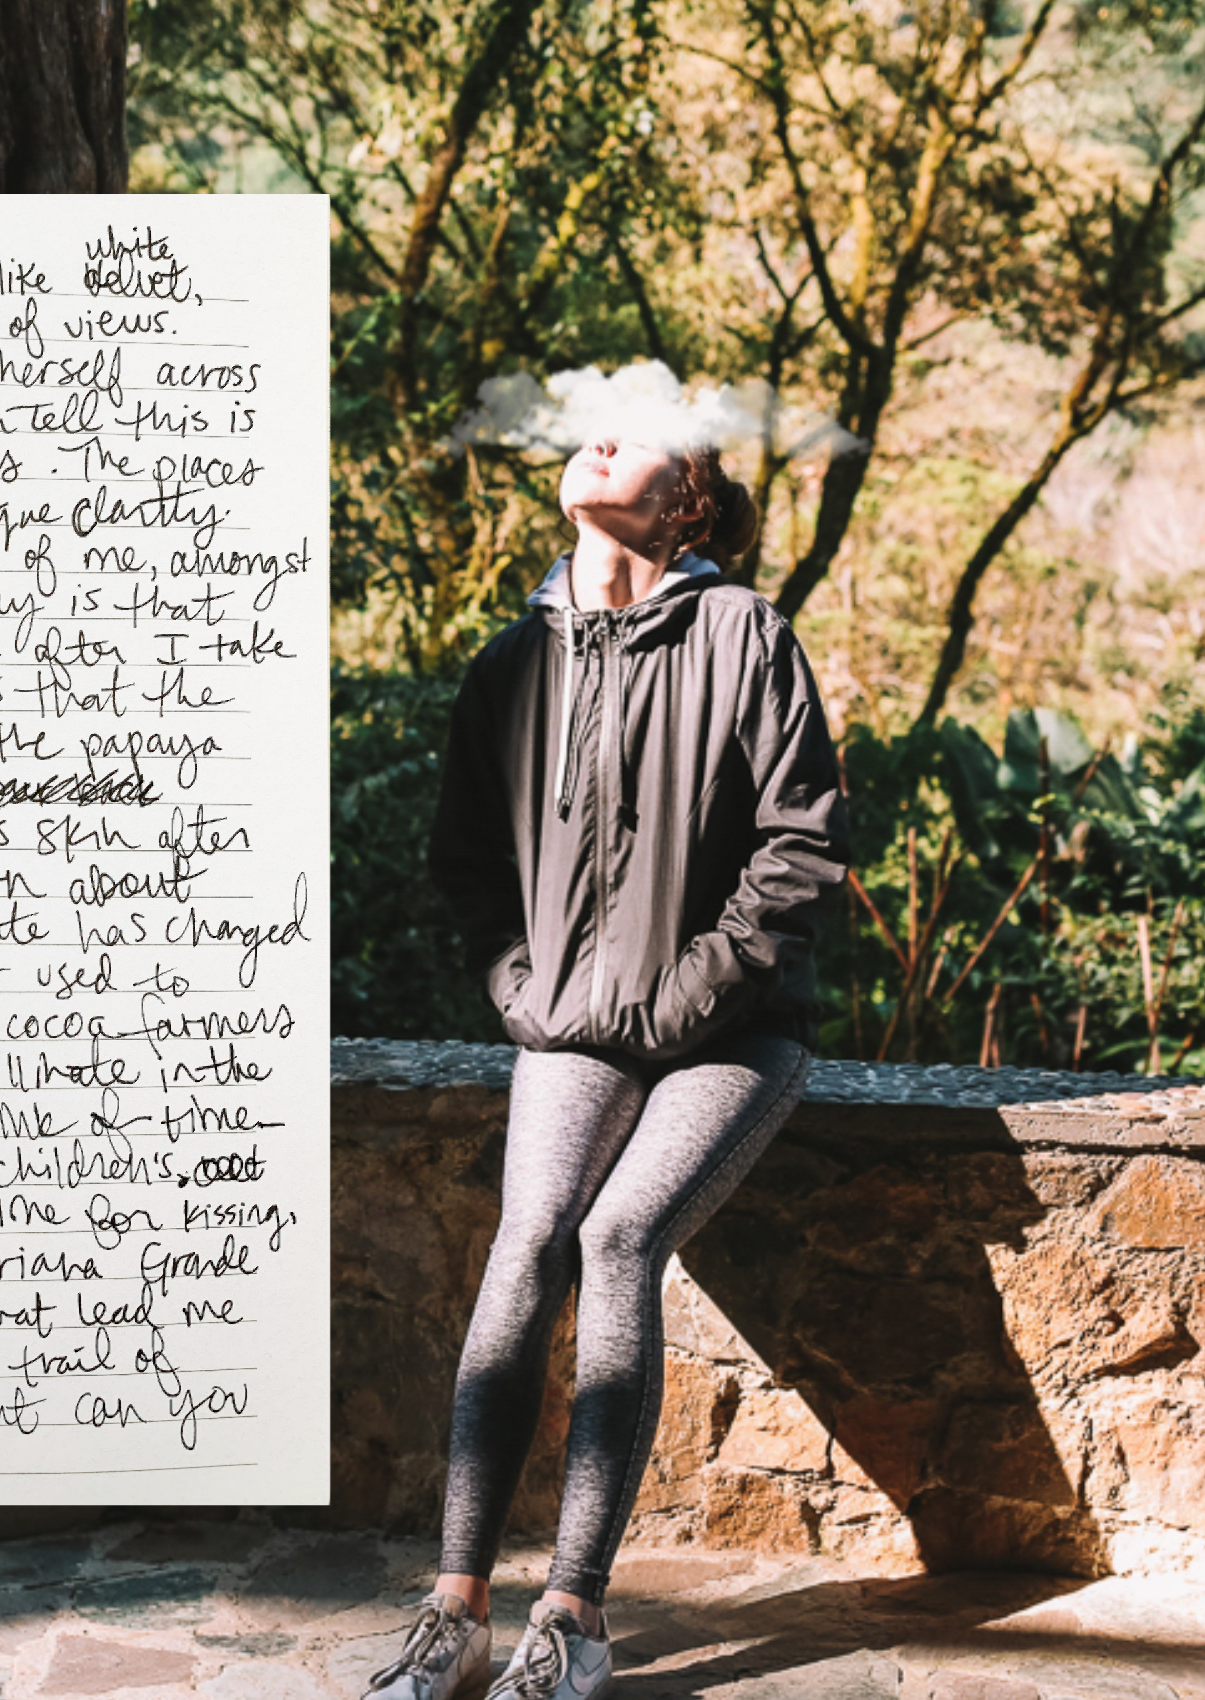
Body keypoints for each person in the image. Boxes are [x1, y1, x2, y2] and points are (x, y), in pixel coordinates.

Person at [365, 429, 850, 1700]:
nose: (596, 437)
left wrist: (688, 991)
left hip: (733, 1033)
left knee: (621, 1235)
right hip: (575, 1023)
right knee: (530, 1235)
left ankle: (572, 1615)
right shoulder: (511, 661)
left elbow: (802, 850)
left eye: (636, 432)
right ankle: (454, 1609)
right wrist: (523, 988)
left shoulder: (747, 635)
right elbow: (468, 859)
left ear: (685, 502)